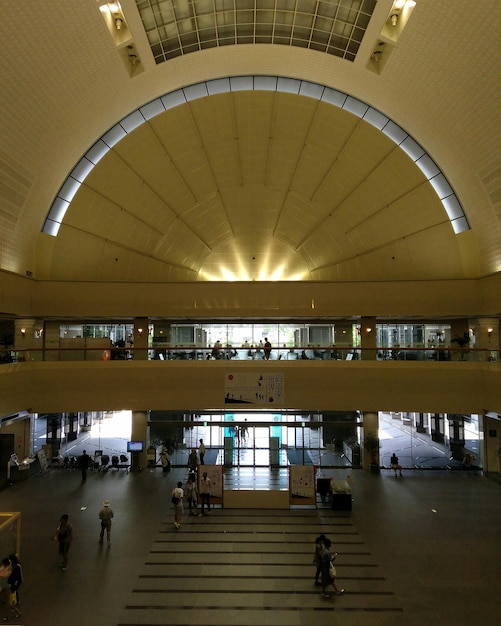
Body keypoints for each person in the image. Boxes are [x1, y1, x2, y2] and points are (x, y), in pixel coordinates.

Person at [7, 554, 22, 618]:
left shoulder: (17, 567)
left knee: (13, 601)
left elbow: (18, 578)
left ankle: (15, 604)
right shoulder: (13, 566)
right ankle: (16, 601)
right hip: (13, 584)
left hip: (14, 583)